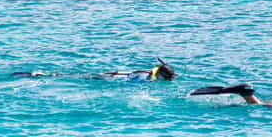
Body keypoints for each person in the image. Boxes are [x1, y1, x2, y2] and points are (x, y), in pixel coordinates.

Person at [13, 58, 176, 83]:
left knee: (77, 76)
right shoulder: (146, 77)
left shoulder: (150, 73)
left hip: (114, 73)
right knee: (73, 77)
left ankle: (40, 75)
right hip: (110, 78)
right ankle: (37, 75)